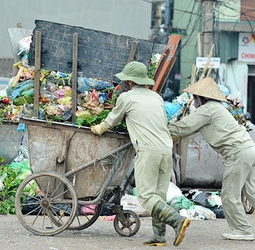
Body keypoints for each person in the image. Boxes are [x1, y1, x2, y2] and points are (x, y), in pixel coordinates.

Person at [91, 61, 190, 247]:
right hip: (165, 149)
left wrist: (98, 129)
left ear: (129, 81)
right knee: (158, 196)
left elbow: (110, 122)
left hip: (148, 150)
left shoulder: (126, 98)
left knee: (145, 196)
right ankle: (159, 236)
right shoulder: (157, 98)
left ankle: (176, 221)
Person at [168, 77, 255, 241]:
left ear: (202, 98)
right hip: (248, 149)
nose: (193, 101)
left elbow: (183, 128)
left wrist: (161, 130)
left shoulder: (207, 109)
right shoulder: (217, 108)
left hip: (237, 153)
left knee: (230, 194)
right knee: (252, 191)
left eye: (195, 98)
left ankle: (242, 231)